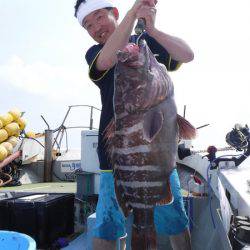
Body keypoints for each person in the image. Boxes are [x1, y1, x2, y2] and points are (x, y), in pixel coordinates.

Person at [74, 0, 194, 249]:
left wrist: (152, 30)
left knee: (175, 222)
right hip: (115, 161)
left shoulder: (146, 44)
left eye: (99, 16)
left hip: (159, 162)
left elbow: (187, 55)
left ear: (114, 13)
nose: (95, 26)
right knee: (107, 227)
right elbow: (107, 61)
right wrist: (134, 12)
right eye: (88, 24)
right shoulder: (96, 53)